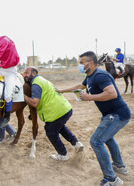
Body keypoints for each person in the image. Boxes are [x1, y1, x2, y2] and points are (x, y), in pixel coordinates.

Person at [57, 51, 130, 186]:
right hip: (110, 114)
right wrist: (62, 90)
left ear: (90, 63)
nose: (79, 65)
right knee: (107, 138)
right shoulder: (89, 76)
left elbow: (112, 93)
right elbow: (79, 86)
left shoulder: (100, 75)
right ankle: (120, 167)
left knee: (96, 141)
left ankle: (111, 179)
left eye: (81, 63)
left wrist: (89, 97)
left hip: (117, 114)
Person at [23, 66, 83, 161]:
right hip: (65, 109)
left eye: (26, 73)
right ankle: (76, 143)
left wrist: (24, 96)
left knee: (50, 131)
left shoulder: (35, 84)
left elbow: (35, 103)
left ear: (34, 73)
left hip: (56, 112)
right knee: (60, 127)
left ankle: (63, 154)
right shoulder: (42, 80)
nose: (24, 75)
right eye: (24, 73)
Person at [0, 63, 16, 143]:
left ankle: (0, 139)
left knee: (0, 119)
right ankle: (12, 132)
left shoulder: (5, 79)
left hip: (4, 101)